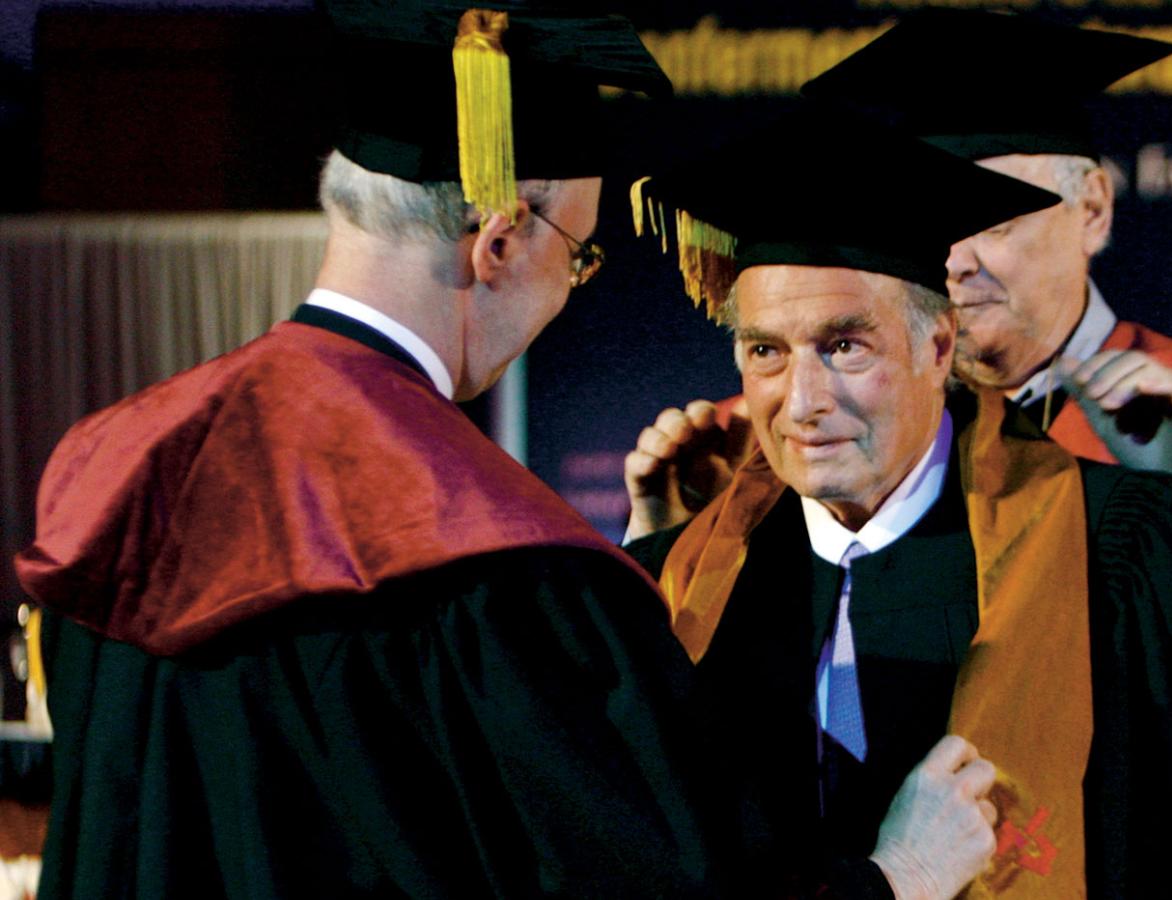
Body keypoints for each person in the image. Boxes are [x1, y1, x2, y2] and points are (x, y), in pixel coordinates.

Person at [13, 3, 725, 896]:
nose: (569, 288)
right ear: (499, 240)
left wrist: (654, 545)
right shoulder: (482, 552)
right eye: (579, 257)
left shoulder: (116, 460)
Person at [636, 9, 1172, 812]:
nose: (954, 260)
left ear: (1092, 210)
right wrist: (683, 547)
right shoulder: (787, 445)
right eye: (925, 218)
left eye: (989, 218)